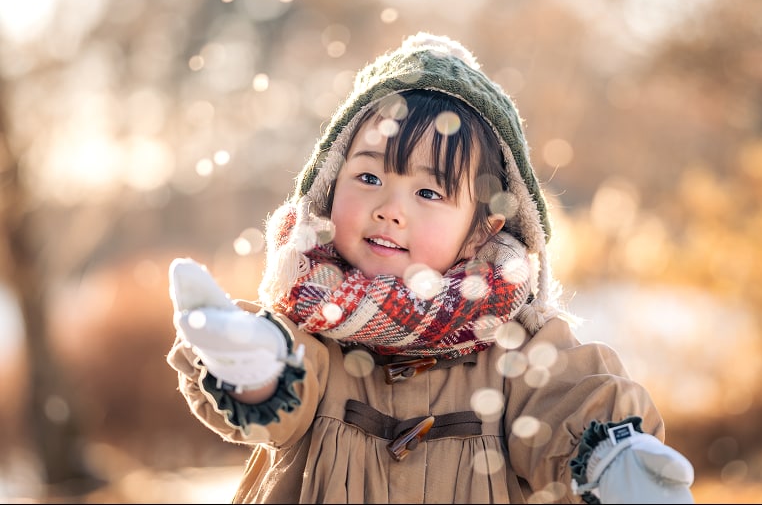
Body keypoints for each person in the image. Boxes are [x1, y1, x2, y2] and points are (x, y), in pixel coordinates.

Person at [166, 32, 696, 504]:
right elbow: (286, 396)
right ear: (329, 185)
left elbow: (567, 403)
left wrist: (614, 457)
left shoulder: (519, 348)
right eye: (369, 178)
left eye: (428, 192)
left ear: (482, 228)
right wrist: (253, 366)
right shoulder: (307, 326)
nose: (389, 209)